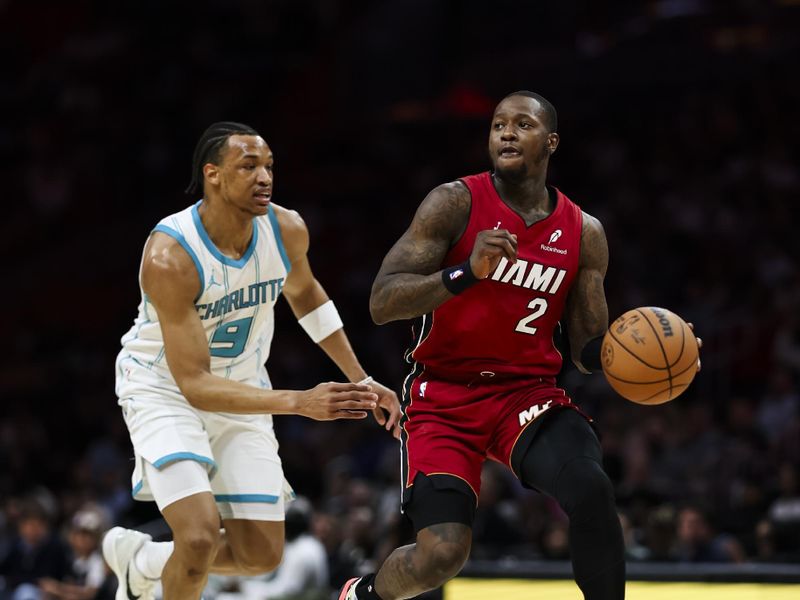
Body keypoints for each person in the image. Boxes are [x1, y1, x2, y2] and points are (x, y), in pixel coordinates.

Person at [340, 91, 700, 600]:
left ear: (551, 141)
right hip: (444, 397)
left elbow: (587, 348)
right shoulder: (455, 202)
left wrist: (670, 350)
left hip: (524, 395)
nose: (506, 132)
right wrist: (465, 272)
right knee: (443, 554)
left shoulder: (583, 232)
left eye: (522, 124)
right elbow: (382, 301)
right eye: (497, 125)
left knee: (592, 488)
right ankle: (362, 593)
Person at [103, 121, 401, 600]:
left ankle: (143, 562)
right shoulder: (170, 255)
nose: (265, 177)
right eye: (249, 166)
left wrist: (362, 379)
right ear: (213, 174)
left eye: (269, 166)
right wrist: (300, 402)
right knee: (198, 537)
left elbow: (306, 296)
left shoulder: (286, 229)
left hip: (241, 382)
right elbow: (194, 383)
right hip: (165, 389)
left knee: (261, 553)